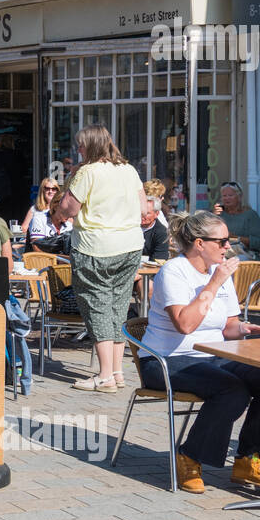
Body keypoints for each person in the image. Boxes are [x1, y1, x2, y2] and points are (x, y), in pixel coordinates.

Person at [137, 211, 260, 493]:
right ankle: (189, 456)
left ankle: (250, 459)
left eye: (229, 241)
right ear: (200, 243)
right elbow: (186, 325)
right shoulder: (174, 272)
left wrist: (244, 328)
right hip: (166, 360)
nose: (228, 247)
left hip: (213, 357)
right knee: (232, 390)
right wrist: (214, 283)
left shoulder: (219, 272)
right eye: (223, 241)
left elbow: (226, 326)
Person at [57, 124, 145, 393]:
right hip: (130, 245)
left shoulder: (87, 172)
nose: (78, 149)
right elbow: (144, 207)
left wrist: (71, 181)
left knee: (97, 308)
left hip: (96, 246)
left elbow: (66, 209)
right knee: (118, 306)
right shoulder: (128, 170)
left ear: (91, 146)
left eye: (81, 145)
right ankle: (117, 372)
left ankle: (105, 375)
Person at [213, 181, 260, 257]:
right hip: (222, 251)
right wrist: (212, 216)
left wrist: (234, 237)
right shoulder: (220, 214)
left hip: (245, 254)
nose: (227, 198)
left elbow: (259, 242)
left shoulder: (250, 215)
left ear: (239, 197)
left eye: (230, 195)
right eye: (224, 196)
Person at [141, 195, 170, 260]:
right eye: (141, 212)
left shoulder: (162, 232)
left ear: (156, 214)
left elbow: (159, 258)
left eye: (147, 213)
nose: (142, 215)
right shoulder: (131, 227)